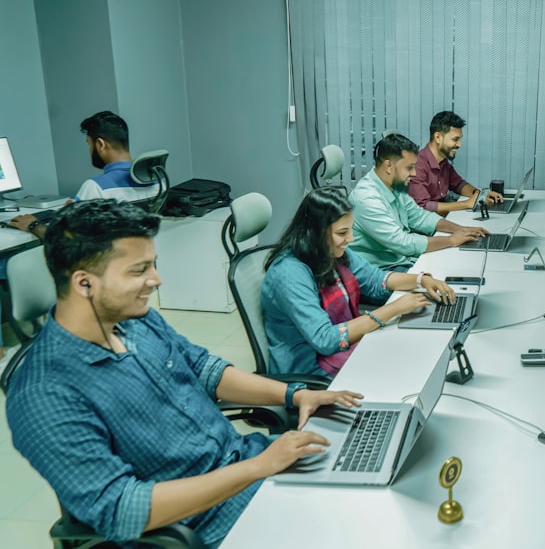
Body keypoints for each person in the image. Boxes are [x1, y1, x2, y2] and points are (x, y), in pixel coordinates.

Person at [5, 199, 364, 546]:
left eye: (153, 264)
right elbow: (120, 509)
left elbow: (205, 369)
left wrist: (295, 394)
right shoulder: (43, 391)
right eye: (139, 270)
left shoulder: (135, 321)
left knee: (368, 475)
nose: (156, 280)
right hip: (208, 524)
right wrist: (258, 468)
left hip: (248, 462)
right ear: (84, 283)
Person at [262, 187, 457, 377]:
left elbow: (374, 279)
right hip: (311, 374)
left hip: (343, 353)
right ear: (316, 232)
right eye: (342, 233)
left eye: (350, 230)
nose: (350, 238)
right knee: (407, 368)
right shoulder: (289, 273)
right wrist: (394, 309)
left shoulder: (328, 250)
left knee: (416, 356)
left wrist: (420, 280)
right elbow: (326, 339)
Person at [349, 133, 490, 271]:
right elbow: (402, 243)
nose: (414, 173)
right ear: (388, 166)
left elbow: (421, 216)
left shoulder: (394, 186)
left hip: (402, 259)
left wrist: (460, 229)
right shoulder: (367, 199)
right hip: (383, 270)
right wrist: (451, 240)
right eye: (409, 167)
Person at [6, 111, 157, 238]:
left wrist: (33, 224)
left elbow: (67, 241)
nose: (90, 150)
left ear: (100, 144)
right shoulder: (155, 179)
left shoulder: (96, 187)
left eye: (89, 144)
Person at [409, 111, 504, 214]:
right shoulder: (418, 165)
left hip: (442, 218)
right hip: (427, 225)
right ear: (438, 137)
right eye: (455, 139)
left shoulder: (442, 161)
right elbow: (423, 206)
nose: (459, 144)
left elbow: (459, 184)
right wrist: (467, 203)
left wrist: (480, 195)